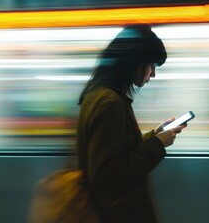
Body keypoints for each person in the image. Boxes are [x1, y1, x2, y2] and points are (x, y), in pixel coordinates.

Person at [76, 24, 186, 223]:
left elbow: (116, 148)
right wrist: (157, 145)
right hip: (116, 214)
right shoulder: (109, 102)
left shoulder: (103, 96)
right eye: (151, 65)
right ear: (135, 61)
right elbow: (107, 174)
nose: (152, 74)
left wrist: (155, 136)